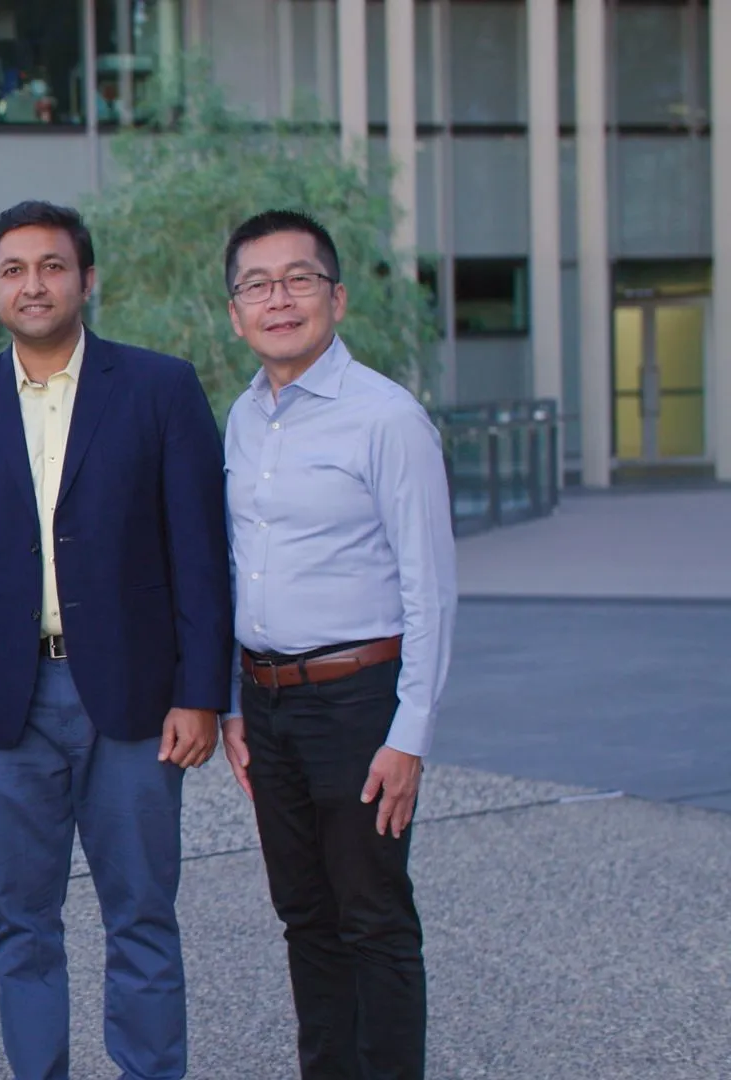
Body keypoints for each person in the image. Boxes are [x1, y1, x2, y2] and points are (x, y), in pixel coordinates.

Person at [0, 199, 233, 1080]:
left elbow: (201, 556)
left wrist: (201, 692)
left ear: (86, 279)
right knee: (21, 924)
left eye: (51, 266)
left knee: (143, 918)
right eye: (13, 270)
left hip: (134, 701)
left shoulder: (160, 387)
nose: (33, 284)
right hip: (2, 709)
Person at [216, 209, 456, 1080]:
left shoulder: (386, 419)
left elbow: (432, 588)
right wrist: (237, 703)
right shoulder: (242, 418)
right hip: (270, 706)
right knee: (305, 917)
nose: (279, 299)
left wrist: (409, 736)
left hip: (360, 703)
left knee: (374, 918)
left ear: (337, 297)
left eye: (298, 279)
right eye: (257, 285)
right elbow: (236, 567)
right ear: (236, 313)